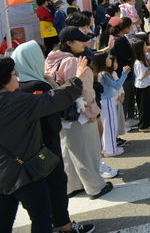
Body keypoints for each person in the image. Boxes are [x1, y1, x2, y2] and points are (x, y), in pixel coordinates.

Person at [11, 42, 96, 233]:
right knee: (56, 187)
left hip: (22, 154)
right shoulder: (37, 85)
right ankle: (65, 227)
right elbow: (56, 106)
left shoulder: (16, 88)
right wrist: (75, 80)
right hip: (46, 147)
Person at [45, 27, 114, 199]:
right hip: (81, 113)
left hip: (64, 114)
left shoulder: (52, 59)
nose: (85, 43)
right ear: (69, 42)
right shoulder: (73, 62)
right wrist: (92, 112)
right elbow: (83, 90)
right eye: (80, 40)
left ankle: (73, 186)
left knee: (69, 151)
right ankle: (95, 187)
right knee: (87, 152)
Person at [94, 52, 130, 157]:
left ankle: (108, 148)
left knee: (107, 126)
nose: (110, 60)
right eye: (108, 59)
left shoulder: (100, 73)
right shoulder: (104, 74)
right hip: (107, 102)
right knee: (110, 126)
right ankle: (111, 150)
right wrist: (124, 73)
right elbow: (117, 85)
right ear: (103, 61)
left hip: (104, 101)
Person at [131, 38, 150, 132]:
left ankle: (149, 123)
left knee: (149, 105)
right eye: (144, 46)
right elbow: (141, 76)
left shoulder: (143, 58)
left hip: (147, 85)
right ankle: (144, 125)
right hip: (142, 86)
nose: (146, 47)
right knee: (144, 107)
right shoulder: (138, 62)